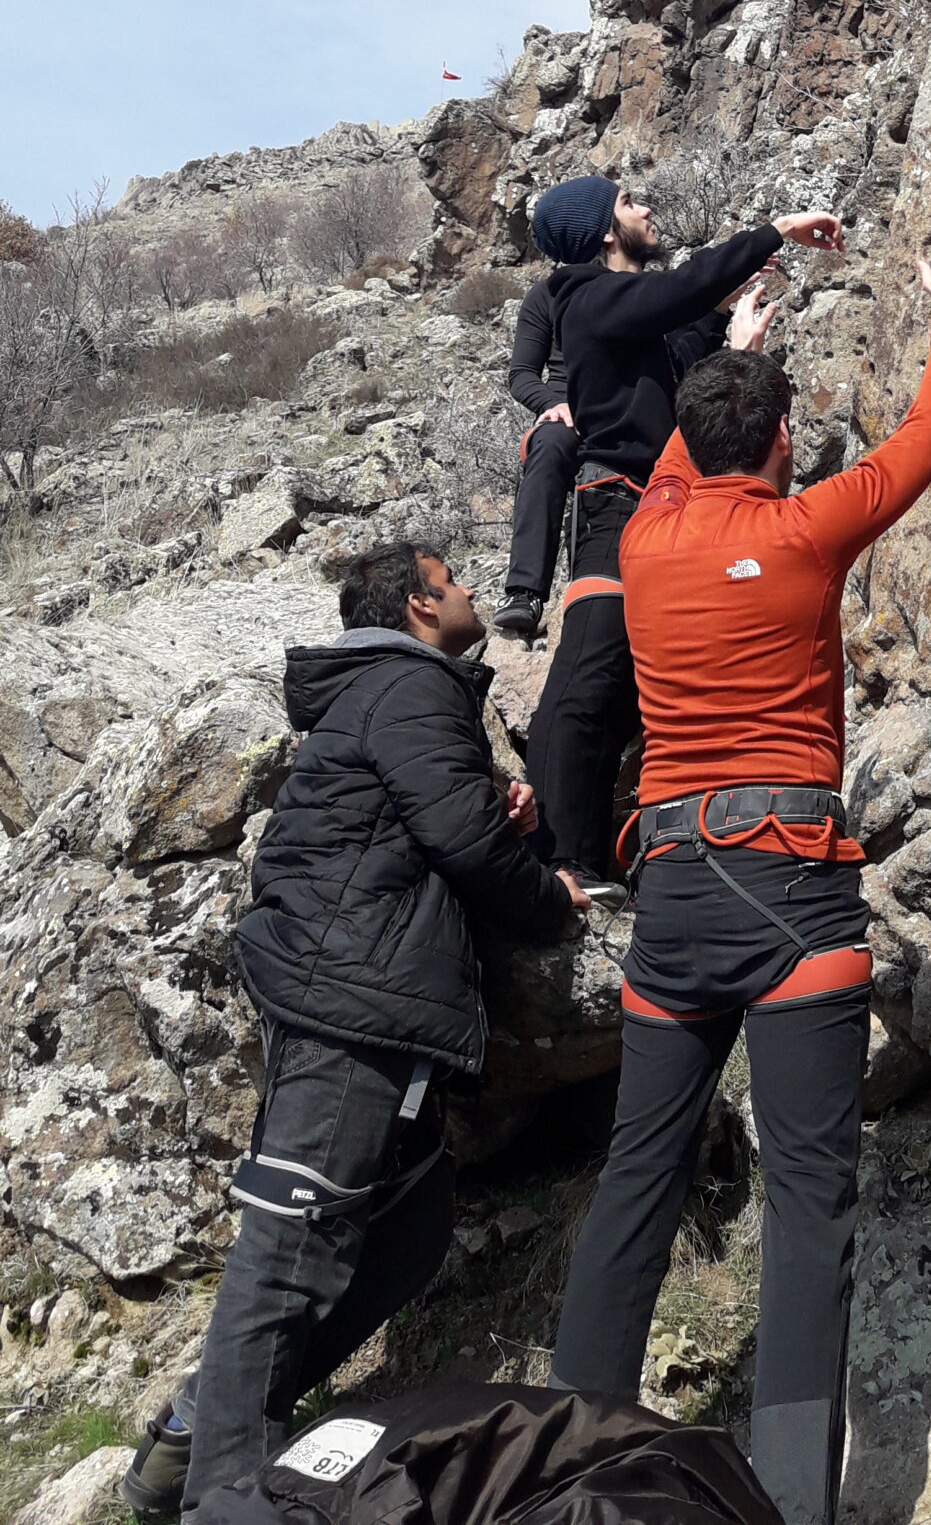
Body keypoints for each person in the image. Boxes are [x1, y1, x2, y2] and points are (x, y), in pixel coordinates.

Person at [548, 233, 931, 1525]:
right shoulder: (807, 531)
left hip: (677, 894)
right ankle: (793, 1506)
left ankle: (572, 1476)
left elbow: (693, 464)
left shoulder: (646, 537)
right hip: (794, 886)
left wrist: (734, 351)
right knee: (810, 1209)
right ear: (787, 441)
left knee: (636, 1176)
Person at [122, 545, 585, 1519]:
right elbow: (460, 840)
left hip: (367, 1001)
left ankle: (195, 1433)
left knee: (409, 1230)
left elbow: (438, 825)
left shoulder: (394, 696)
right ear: (421, 603)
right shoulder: (407, 687)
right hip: (349, 1002)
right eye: (453, 576)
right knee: (294, 1239)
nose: (468, 588)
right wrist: (551, 895)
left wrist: (500, 818)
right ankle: (223, 1492)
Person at [521, 175, 846, 900]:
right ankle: (555, 862)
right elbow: (680, 292)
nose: (645, 207)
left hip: (662, 508)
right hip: (614, 503)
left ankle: (597, 858)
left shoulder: (626, 314)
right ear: (605, 232)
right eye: (628, 202)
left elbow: (678, 344)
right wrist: (774, 229)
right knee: (586, 678)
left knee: (634, 690)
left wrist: (735, 334)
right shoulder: (587, 296)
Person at [494, 270, 576, 640]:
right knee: (548, 445)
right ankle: (524, 592)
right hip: (566, 410)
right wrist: (555, 405)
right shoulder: (546, 295)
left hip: (626, 408)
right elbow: (522, 374)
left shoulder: (640, 285)